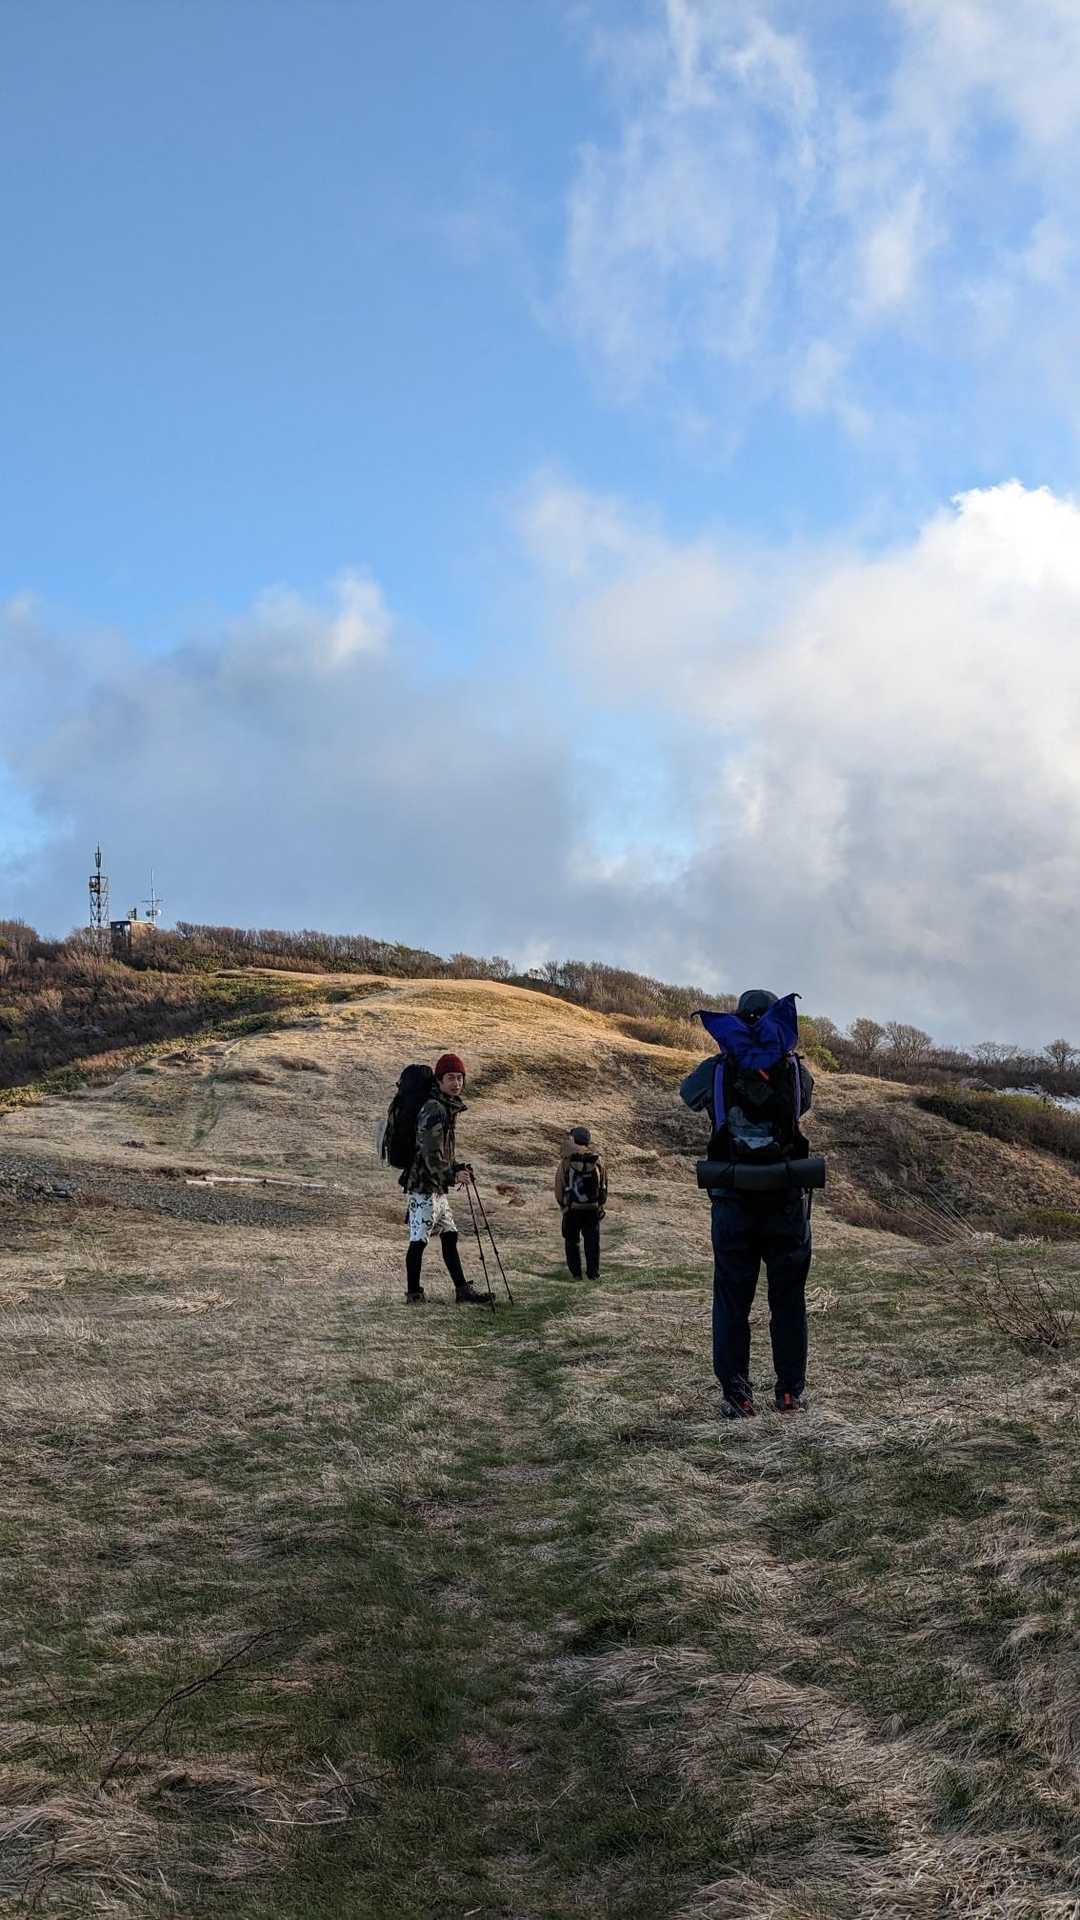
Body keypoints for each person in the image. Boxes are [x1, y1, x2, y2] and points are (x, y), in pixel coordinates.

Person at [680, 990, 815, 1418]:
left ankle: (737, 1396)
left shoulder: (716, 1068)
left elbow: (688, 1095)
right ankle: (789, 1393)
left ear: (737, 1021)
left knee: (732, 1302)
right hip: (786, 1203)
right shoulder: (795, 1070)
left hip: (733, 1202)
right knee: (788, 1301)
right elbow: (804, 1105)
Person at [405, 1052, 491, 1305]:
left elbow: (440, 1152)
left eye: (460, 1078)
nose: (456, 1083)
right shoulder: (434, 1109)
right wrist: (453, 1174)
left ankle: (462, 1291)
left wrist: (456, 1167)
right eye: (451, 1078)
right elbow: (429, 1154)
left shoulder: (445, 1107)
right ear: (439, 1080)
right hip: (423, 1186)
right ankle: (414, 1294)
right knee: (419, 1240)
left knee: (450, 1234)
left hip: (436, 1185)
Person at [555, 1125, 607, 1279]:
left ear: (574, 1139)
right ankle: (593, 1274)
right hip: (592, 1209)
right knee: (592, 1242)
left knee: (572, 1242)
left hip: (572, 1209)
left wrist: (563, 1206)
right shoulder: (597, 1160)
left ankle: (576, 1275)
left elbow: (559, 1187)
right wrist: (600, 1205)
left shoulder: (566, 1160)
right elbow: (603, 1185)